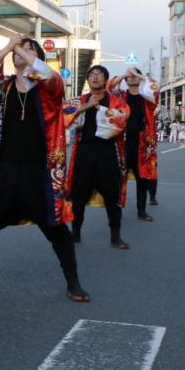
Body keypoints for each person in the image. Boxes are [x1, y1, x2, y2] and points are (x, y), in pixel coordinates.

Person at [0, 37, 88, 301]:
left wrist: (19, 47)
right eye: (19, 49)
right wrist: (8, 47)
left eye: (30, 48)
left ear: (38, 57)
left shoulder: (49, 88)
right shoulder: (4, 88)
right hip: (6, 169)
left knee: (55, 226)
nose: (22, 51)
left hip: (40, 171)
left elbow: (47, 75)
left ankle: (73, 282)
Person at [67, 65, 129, 249]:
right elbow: (65, 117)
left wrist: (105, 110)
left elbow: (123, 119)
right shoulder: (79, 100)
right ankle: (75, 233)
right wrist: (86, 106)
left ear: (105, 80)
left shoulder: (116, 101)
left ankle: (115, 236)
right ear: (87, 80)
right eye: (91, 75)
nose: (95, 77)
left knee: (112, 196)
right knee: (78, 196)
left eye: (99, 75)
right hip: (83, 154)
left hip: (108, 152)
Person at [106, 68, 158, 221]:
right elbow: (109, 87)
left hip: (142, 144)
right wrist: (124, 74)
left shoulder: (146, 97)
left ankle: (141, 211)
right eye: (130, 76)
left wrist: (141, 77)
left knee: (142, 179)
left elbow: (155, 87)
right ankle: (115, 211)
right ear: (126, 80)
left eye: (136, 75)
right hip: (122, 142)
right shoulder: (120, 96)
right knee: (117, 178)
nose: (133, 77)